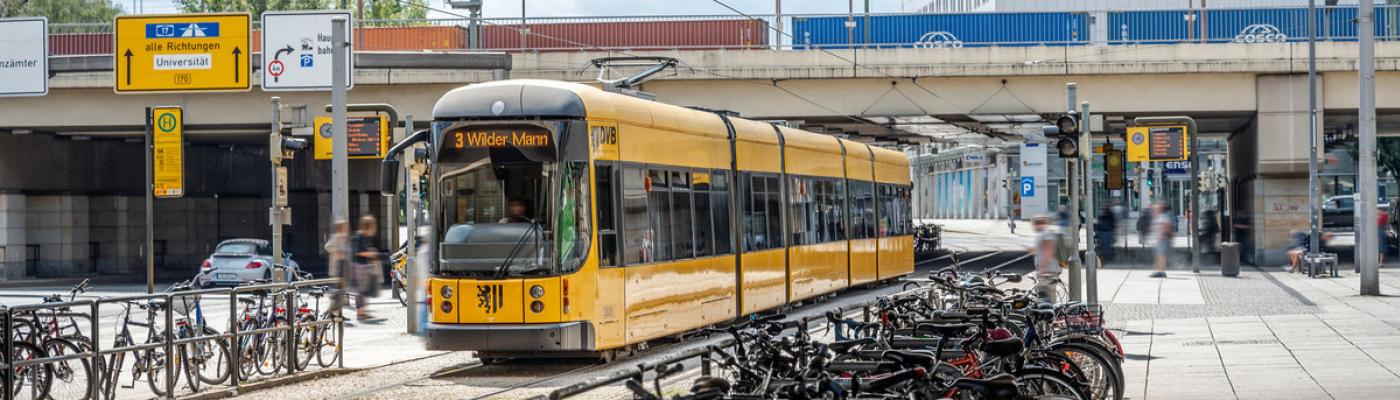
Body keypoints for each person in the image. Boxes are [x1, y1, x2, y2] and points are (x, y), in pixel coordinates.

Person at [351, 215, 384, 321]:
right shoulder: (360, 236)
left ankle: (363, 312)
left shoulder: (364, 237)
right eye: (372, 226)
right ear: (368, 226)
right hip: (360, 266)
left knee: (364, 289)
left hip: (363, 266)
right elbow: (358, 251)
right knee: (361, 290)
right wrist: (370, 254)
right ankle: (360, 313)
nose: (374, 228)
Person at [1030, 216, 1063, 302]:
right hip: (1048, 271)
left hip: (1048, 272)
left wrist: (1041, 270)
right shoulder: (1045, 234)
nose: (1032, 227)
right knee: (1044, 297)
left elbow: (1048, 251)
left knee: (1047, 298)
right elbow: (1042, 249)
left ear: (1038, 224)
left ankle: (1053, 314)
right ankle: (1052, 313)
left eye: (1033, 225)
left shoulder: (1046, 234)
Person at [323, 219, 351, 312]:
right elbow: (327, 246)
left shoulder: (345, 237)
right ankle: (331, 311)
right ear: (340, 228)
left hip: (343, 266)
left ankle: (338, 313)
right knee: (338, 292)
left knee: (341, 292)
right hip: (338, 267)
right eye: (344, 226)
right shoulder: (336, 237)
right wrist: (337, 251)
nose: (346, 228)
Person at [1150, 202, 1173, 278]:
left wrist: (1162, 235)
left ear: (1161, 209)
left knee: (1161, 255)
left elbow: (1167, 226)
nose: (1155, 209)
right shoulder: (1159, 216)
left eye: (1156, 208)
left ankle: (1161, 271)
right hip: (1159, 239)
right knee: (1159, 255)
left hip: (1162, 239)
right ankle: (1158, 270)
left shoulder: (1164, 217)